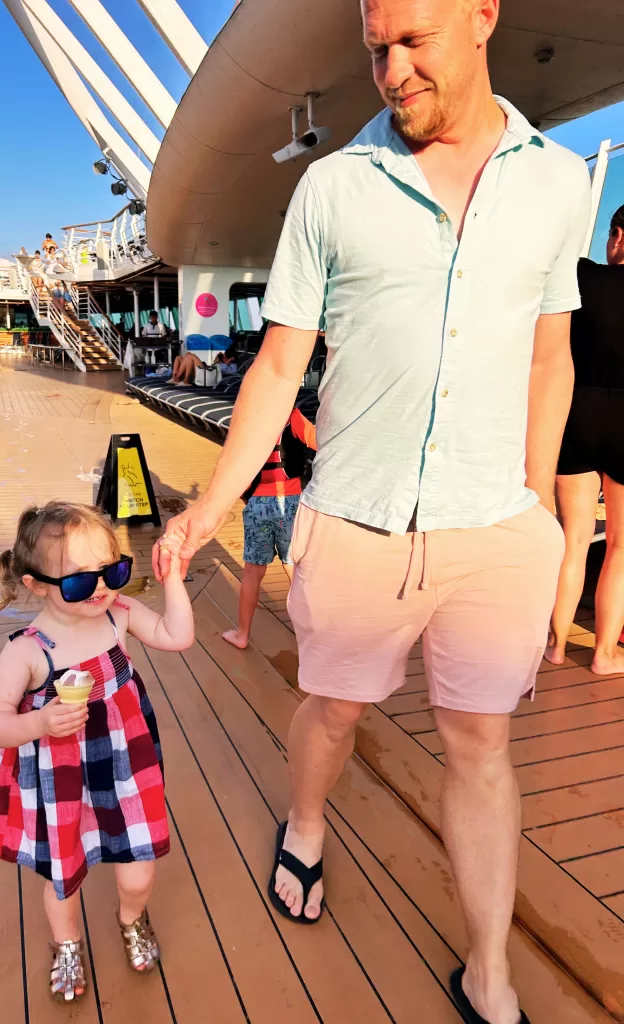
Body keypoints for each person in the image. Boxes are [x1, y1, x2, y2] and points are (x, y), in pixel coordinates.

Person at [153, 1, 591, 1021]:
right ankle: (305, 822)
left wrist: (535, 508)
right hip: (353, 520)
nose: (391, 72)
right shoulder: (332, 189)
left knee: (481, 744)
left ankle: (489, 972)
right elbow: (276, 368)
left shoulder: (557, 185)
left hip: (496, 531)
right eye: (376, 47)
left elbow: (549, 352)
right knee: (335, 709)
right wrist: (208, 505)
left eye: (415, 41)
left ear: (483, 14)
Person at [0, 502, 193, 1001]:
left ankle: (131, 917)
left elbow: (176, 635)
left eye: (112, 570)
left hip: (124, 762)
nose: (99, 587)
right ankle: (67, 942)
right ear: (35, 584)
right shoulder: (28, 651)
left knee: (139, 868)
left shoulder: (118, 616)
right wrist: (39, 720)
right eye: (77, 581)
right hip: (59, 774)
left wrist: (176, 579)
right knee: (64, 874)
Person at [547, 204, 624, 675]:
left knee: (572, 540)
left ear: (616, 236)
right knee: (619, 545)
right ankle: (604, 653)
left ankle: (555, 645)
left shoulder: (584, 280)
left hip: (577, 414)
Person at [223, 406, 317, 650]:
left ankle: (242, 634)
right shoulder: (291, 415)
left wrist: (249, 498)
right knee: (294, 569)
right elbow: (317, 444)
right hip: (291, 503)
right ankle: (312, 639)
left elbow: (235, 465)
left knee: (253, 572)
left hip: (258, 503)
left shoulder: (247, 418)